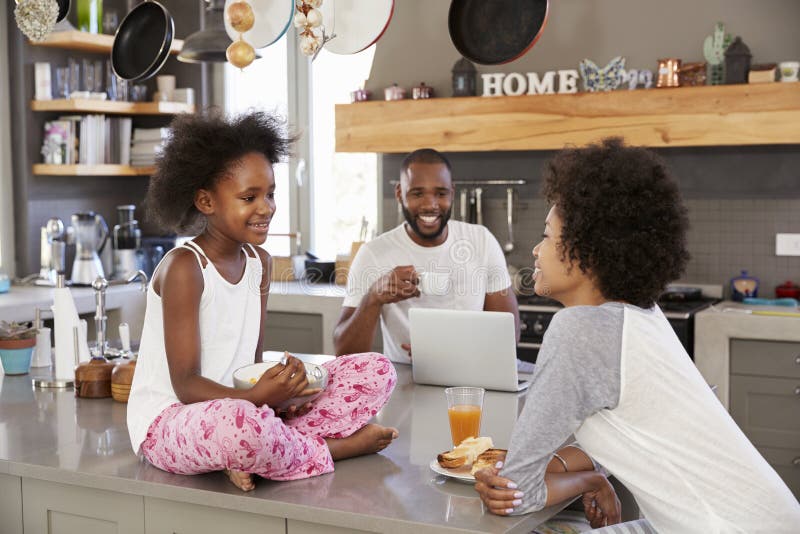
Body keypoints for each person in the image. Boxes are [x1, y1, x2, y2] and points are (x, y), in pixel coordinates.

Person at [474, 138, 800, 532]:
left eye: (547, 235)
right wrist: (588, 474)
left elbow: (516, 491)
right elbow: (640, 441)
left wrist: (582, 479)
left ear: (586, 251)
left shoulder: (580, 330)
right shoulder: (642, 316)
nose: (536, 250)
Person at [127, 110, 398, 492]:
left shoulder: (260, 263)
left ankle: (262, 452)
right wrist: (256, 399)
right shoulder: (185, 268)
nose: (266, 207)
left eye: (270, 193)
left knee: (376, 370)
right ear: (206, 201)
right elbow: (186, 385)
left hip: (240, 409)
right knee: (245, 427)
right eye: (248, 197)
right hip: (171, 422)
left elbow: (248, 366)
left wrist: (283, 394)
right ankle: (333, 449)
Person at [334, 148, 519, 362]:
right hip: (404, 382)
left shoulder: (481, 241)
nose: (430, 205)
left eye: (440, 193)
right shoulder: (373, 254)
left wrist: (448, 351)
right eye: (417, 193)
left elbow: (509, 336)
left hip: (471, 379)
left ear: (452, 192)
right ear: (399, 194)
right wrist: (373, 297)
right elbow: (344, 354)